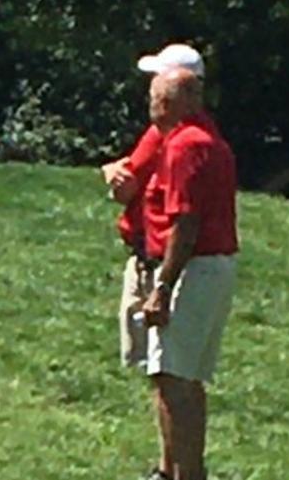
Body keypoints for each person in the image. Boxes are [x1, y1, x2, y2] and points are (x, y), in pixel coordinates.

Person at [138, 67, 239, 480]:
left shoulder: (184, 146)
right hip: (216, 265)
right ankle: (184, 472)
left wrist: (162, 285)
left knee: (173, 379)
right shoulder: (210, 140)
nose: (152, 107)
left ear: (178, 102)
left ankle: (186, 474)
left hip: (193, 268)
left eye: (158, 99)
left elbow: (186, 223)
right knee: (188, 377)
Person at [102, 43, 207, 372]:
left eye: (159, 80)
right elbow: (126, 174)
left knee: (153, 361)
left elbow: (125, 187)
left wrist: (113, 174)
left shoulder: (172, 138)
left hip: (157, 255)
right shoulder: (187, 135)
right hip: (154, 253)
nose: (153, 90)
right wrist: (112, 169)